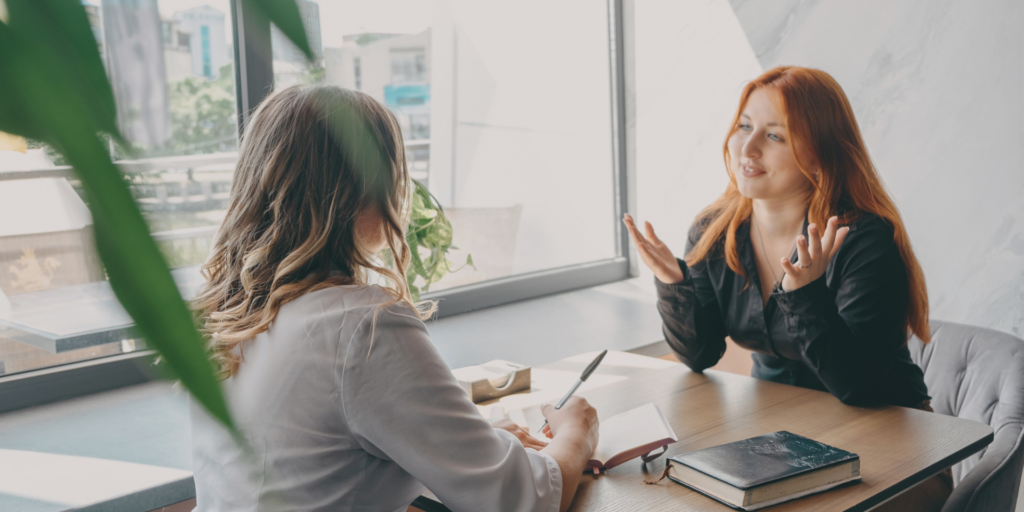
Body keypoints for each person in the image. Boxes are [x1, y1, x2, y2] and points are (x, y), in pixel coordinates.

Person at [189, 85, 599, 512]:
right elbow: (522, 500)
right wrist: (577, 433)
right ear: (358, 189)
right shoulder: (361, 325)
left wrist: (472, 453)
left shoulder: (228, 314)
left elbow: (322, 462)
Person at [624, 66, 949, 511]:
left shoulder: (864, 240)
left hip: (892, 439)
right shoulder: (714, 230)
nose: (748, 147)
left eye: (775, 136)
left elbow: (857, 386)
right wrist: (673, 283)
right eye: (744, 126)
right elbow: (700, 355)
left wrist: (805, 295)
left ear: (819, 155)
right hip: (784, 441)